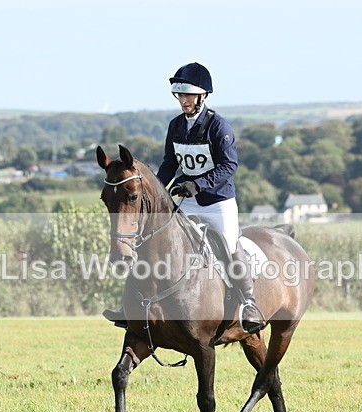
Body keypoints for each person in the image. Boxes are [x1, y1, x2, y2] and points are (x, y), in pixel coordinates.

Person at [103, 62, 265, 334]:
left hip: (218, 203)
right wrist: (159, 192)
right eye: (180, 95)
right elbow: (168, 164)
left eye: (188, 95)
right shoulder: (176, 126)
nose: (183, 100)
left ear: (203, 95)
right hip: (186, 200)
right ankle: (133, 306)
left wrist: (198, 184)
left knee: (228, 244)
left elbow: (229, 166)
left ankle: (248, 303)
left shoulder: (218, 126)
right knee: (154, 242)